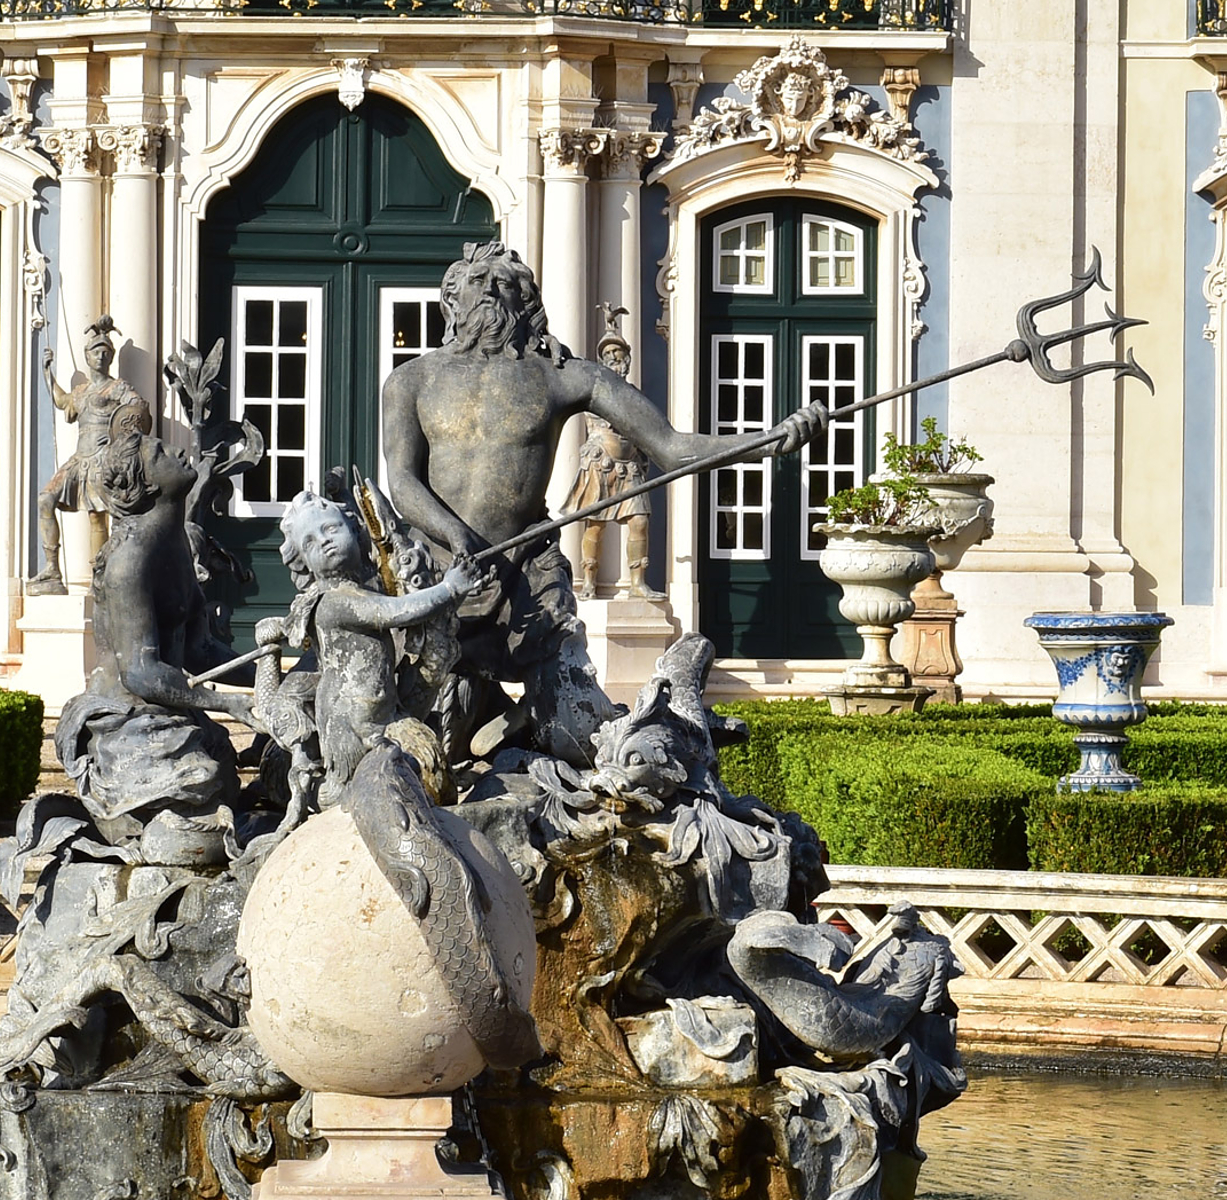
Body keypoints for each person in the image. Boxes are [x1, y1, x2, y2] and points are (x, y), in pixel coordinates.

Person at [380, 243, 824, 765]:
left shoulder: (565, 375)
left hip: (527, 578)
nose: (493, 293)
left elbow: (670, 447)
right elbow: (403, 483)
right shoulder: (410, 380)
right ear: (451, 299)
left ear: (527, 303)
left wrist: (771, 440)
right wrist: (456, 536)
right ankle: (499, 719)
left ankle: (670, 732)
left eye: (507, 285)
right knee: (424, 745)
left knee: (581, 737)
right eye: (480, 281)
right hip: (439, 577)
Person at [278, 488, 485, 804]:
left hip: (383, 711)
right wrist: (449, 588)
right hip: (354, 727)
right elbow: (394, 611)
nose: (323, 541)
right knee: (380, 789)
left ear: (354, 530)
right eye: (310, 543)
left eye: (330, 529)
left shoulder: (358, 589)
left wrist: (451, 594)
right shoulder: (333, 603)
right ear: (304, 563)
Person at [27, 319, 148, 595]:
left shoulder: (117, 387)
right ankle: (52, 571)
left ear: (111, 356)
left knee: (98, 517)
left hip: (103, 458)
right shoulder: (81, 391)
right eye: (96, 351)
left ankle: (100, 576)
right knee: (45, 499)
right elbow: (63, 402)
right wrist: (48, 373)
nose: (101, 355)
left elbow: (137, 409)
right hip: (79, 460)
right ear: (87, 356)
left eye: (106, 352)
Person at [563, 309, 659, 600]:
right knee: (595, 525)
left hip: (629, 467)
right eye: (611, 355)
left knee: (640, 521)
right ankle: (589, 581)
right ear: (603, 361)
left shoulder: (633, 394)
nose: (617, 360)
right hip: (601, 464)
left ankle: (637, 582)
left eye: (620, 355)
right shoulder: (597, 393)